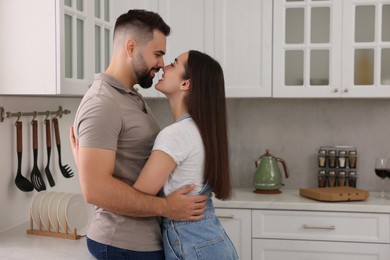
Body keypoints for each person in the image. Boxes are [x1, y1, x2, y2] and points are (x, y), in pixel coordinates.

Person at [72, 10, 207, 259]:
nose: (161, 64)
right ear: (131, 47)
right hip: (123, 244)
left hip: (140, 242)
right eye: (158, 54)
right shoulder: (103, 102)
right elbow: (95, 190)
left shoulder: (129, 95)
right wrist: (167, 207)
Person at [133, 50, 238, 259]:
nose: (164, 67)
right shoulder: (202, 130)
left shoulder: (176, 134)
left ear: (185, 84)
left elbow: (136, 199)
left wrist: (86, 164)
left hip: (195, 247)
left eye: (173, 64)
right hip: (213, 242)